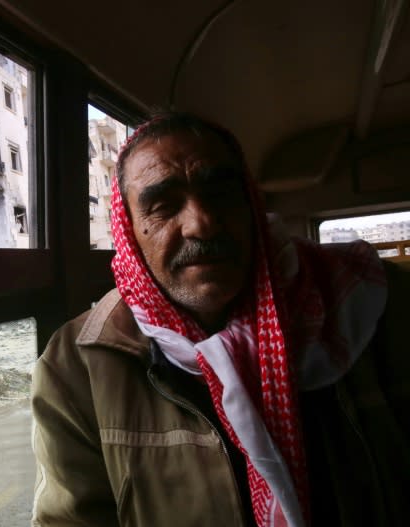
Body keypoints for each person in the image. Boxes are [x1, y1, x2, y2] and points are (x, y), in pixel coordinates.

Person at [31, 109, 410, 526]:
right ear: (130, 232)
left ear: (252, 208)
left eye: (221, 195)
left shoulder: (374, 303)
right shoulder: (77, 365)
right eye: (163, 205)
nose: (201, 224)